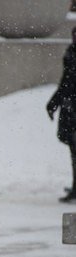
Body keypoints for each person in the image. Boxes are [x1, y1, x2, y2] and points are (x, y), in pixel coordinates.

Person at [47, 27, 76, 203]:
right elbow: (66, 81)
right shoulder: (71, 53)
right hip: (70, 107)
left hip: (71, 106)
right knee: (73, 150)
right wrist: (54, 102)